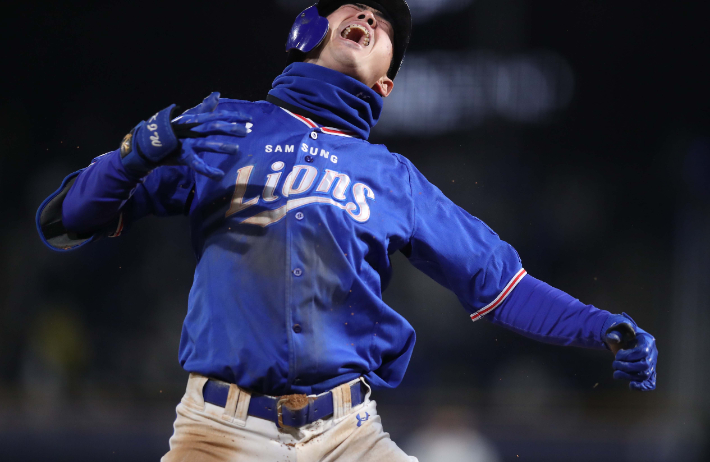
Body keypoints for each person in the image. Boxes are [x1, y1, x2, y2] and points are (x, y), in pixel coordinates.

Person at [35, 1, 658, 461]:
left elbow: (501, 286)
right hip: (219, 433)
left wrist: (598, 325)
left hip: (346, 436)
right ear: (309, 30)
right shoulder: (224, 126)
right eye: (355, 6)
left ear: (386, 81)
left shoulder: (393, 178)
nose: (368, 16)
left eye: (385, 24)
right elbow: (64, 222)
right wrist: (130, 157)